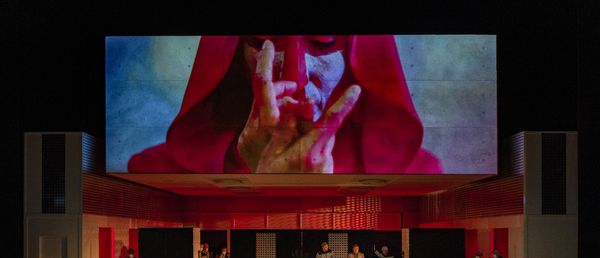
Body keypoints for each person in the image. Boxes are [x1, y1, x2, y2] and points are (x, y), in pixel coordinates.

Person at [128, 36, 441, 174]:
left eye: (323, 43)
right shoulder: (153, 170)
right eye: (264, 39)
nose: (295, 77)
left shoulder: (419, 171)